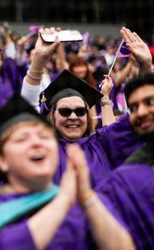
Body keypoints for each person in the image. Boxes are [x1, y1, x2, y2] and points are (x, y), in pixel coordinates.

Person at [0, 95, 133, 249]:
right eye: (22, 139)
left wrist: (88, 198)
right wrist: (63, 200)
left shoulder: (76, 209)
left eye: (44, 136)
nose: (37, 143)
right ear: (1, 159)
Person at [21, 28, 142, 187]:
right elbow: (26, 109)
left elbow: (141, 112)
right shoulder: (42, 150)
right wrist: (38, 61)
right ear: (53, 115)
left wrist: (146, 67)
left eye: (80, 111)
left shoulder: (101, 144)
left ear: (87, 115)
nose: (73, 116)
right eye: (65, 111)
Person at [97, 72, 154, 249]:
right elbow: (110, 132)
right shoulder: (131, 173)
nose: (141, 112)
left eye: (149, 102)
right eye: (134, 107)